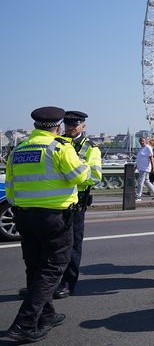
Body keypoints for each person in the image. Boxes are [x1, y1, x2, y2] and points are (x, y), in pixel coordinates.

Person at [5, 107, 90, 342]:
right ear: (58, 126)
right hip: (54, 217)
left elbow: (10, 187)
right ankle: (23, 324)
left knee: (34, 266)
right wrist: (85, 165)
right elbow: (80, 176)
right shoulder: (60, 147)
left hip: (23, 215)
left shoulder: (18, 150)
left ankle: (47, 314)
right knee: (53, 268)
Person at [53, 111, 102, 300]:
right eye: (68, 124)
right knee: (51, 246)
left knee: (72, 246)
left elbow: (95, 177)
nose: (71, 128)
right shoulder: (55, 142)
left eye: (76, 124)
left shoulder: (91, 148)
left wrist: (68, 177)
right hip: (54, 202)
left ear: (83, 126)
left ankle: (68, 283)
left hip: (76, 203)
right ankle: (46, 283)